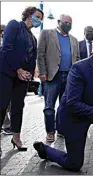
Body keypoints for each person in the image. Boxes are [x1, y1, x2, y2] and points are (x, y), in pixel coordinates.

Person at [33, 34, 93, 171]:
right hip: (74, 117)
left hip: (92, 109)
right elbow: (72, 103)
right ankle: (46, 150)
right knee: (74, 164)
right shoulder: (79, 68)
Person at [0, 6, 43, 152]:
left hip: (22, 77)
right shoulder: (14, 25)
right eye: (38, 16)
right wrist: (18, 69)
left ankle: (16, 137)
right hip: (6, 72)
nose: (39, 20)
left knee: (18, 107)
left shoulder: (33, 38)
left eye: (41, 19)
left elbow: (32, 58)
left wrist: (29, 73)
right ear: (29, 15)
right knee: (2, 105)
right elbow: (7, 47)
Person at [37, 14, 80, 142]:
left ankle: (61, 129)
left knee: (65, 106)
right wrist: (42, 72)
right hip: (52, 76)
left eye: (70, 23)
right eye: (66, 22)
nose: (68, 25)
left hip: (69, 77)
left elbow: (77, 59)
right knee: (49, 106)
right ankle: (50, 132)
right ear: (59, 22)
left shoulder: (74, 40)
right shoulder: (46, 34)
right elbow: (40, 54)